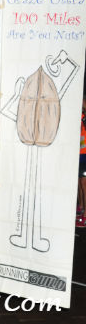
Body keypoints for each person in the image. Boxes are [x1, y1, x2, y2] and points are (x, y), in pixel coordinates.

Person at [77, 96, 86, 228]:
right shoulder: (80, 115)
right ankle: (81, 209)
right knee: (79, 183)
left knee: (84, 184)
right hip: (79, 153)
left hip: (85, 153)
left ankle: (85, 216)